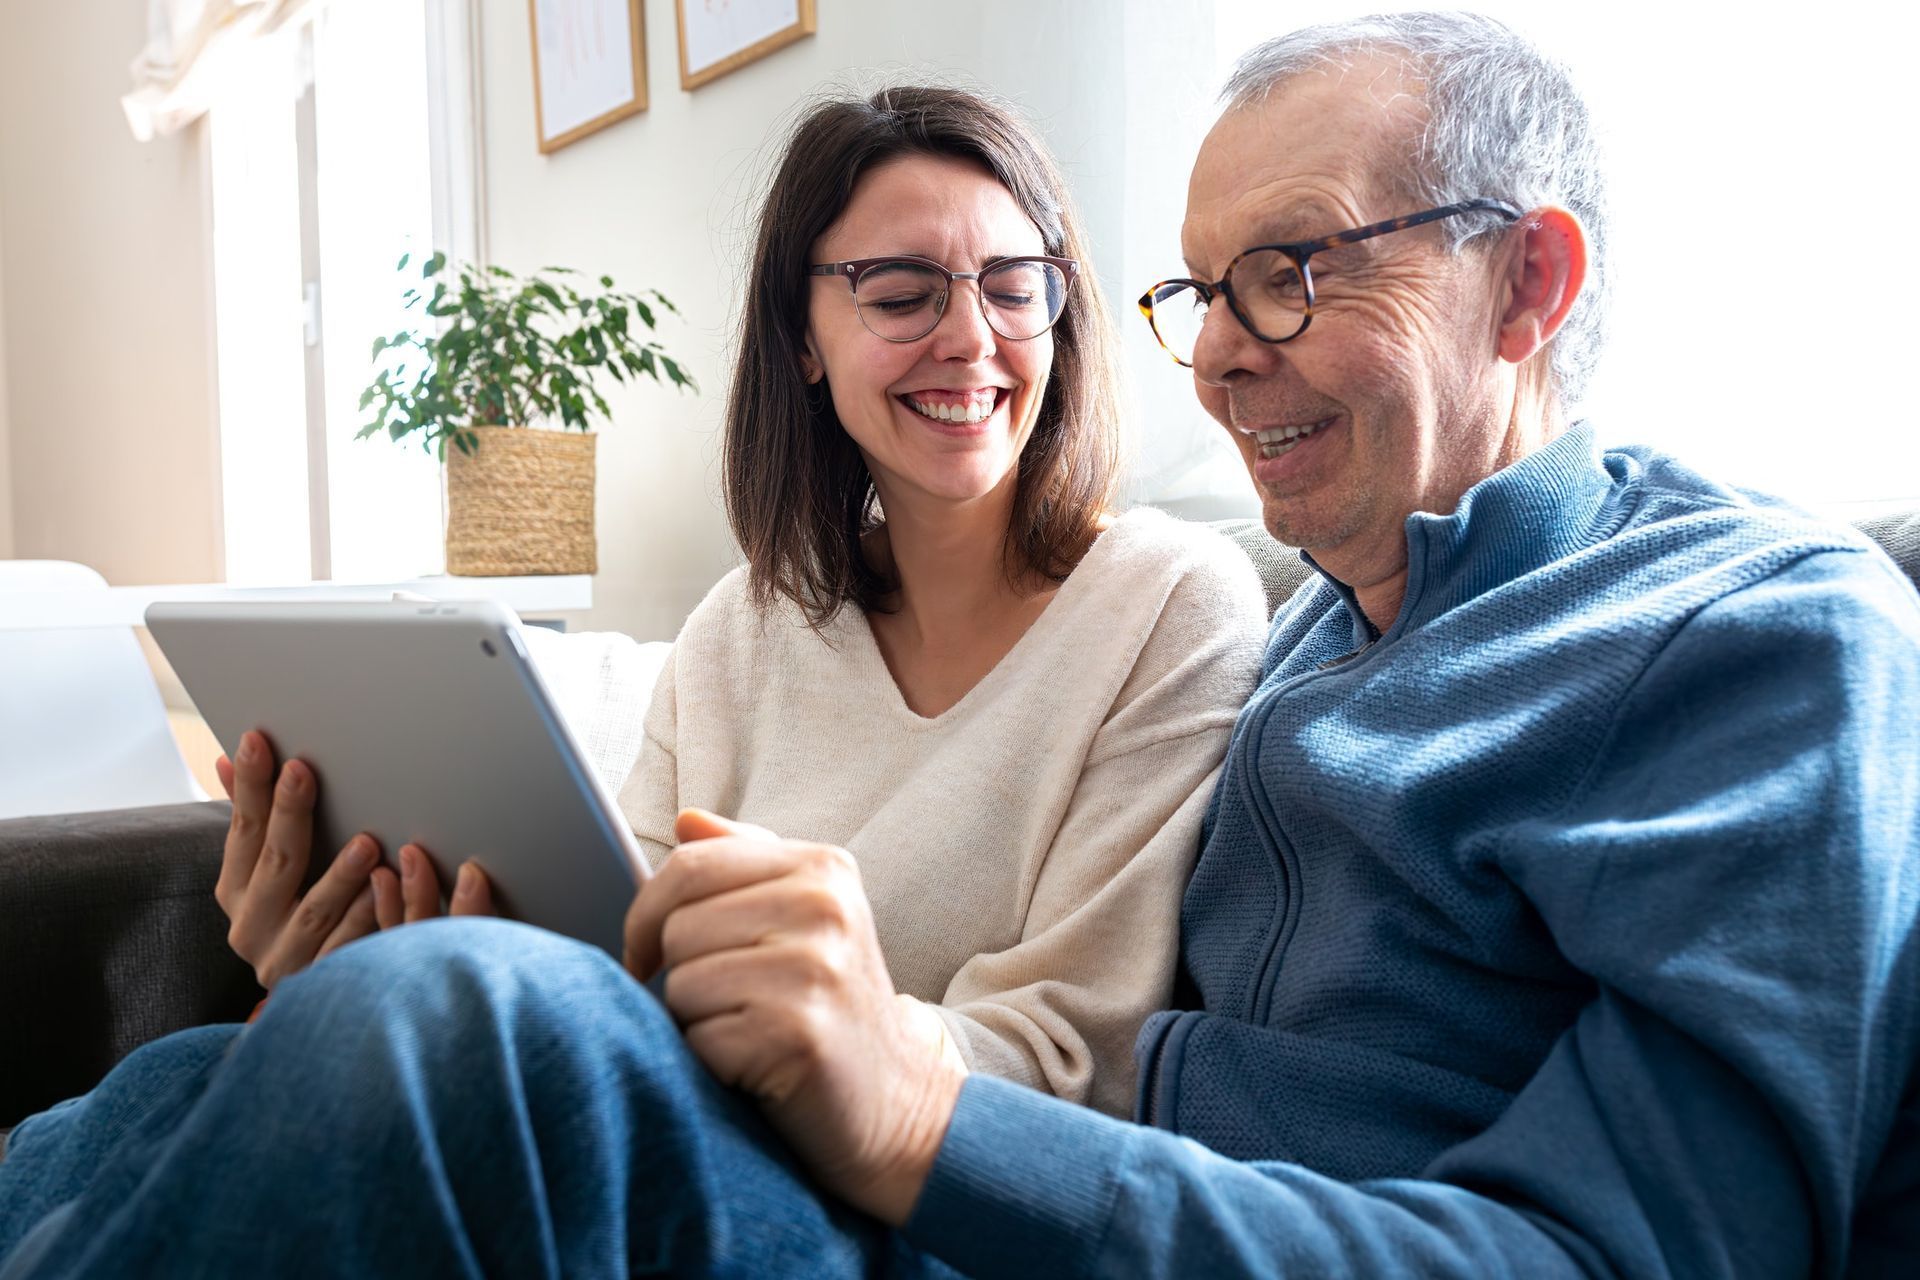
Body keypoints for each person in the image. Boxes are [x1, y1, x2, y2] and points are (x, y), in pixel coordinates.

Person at [3, 12, 1917, 1279]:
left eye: (1297, 265)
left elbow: (1622, 1251)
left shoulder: (1757, 630)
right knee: (212, 1070)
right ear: (807, 345)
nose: (1226, 346)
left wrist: (920, 1108)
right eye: (1202, 286)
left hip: (1006, 1215)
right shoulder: (1326, 635)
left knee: (480, 1029)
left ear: (1534, 282)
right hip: (982, 1205)